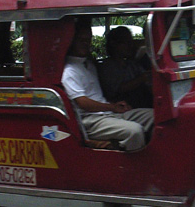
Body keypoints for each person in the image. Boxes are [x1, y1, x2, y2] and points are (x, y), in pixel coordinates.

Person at [61, 18, 154, 151]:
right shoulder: (69, 71)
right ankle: (131, 168)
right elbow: (82, 102)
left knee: (155, 117)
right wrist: (111, 107)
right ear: (71, 42)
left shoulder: (89, 65)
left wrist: (114, 106)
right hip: (91, 120)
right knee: (135, 131)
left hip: (107, 113)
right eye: (81, 40)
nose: (86, 44)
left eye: (88, 40)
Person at [97, 26, 152, 108]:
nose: (130, 46)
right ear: (114, 44)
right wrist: (141, 79)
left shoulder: (132, 64)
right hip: (121, 105)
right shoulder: (107, 67)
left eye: (131, 42)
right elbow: (118, 89)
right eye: (126, 43)